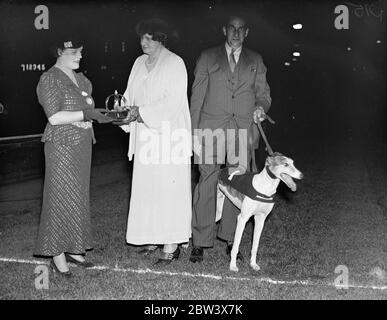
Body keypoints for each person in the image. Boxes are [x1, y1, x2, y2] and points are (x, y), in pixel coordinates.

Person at [189, 14, 272, 262]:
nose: (236, 33)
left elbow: (263, 94)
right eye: (232, 28)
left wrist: (261, 107)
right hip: (209, 128)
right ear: (224, 30)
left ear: (246, 33)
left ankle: (228, 238)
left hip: (242, 130)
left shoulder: (255, 59)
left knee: (236, 184)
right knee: (207, 180)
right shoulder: (207, 56)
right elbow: (196, 96)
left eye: (241, 29)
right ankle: (200, 241)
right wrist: (193, 132)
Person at [34, 36, 113, 276]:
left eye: (81, 52)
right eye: (74, 53)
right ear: (59, 53)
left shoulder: (82, 80)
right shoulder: (49, 79)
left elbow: (87, 107)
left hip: (82, 146)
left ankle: (75, 248)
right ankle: (57, 254)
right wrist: (88, 115)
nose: (80, 56)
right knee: (59, 198)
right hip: (61, 146)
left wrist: (96, 114)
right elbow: (54, 117)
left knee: (78, 197)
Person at [117, 19, 192, 264]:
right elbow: (129, 95)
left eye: (149, 38)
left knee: (169, 191)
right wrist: (122, 110)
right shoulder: (138, 63)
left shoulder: (175, 62)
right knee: (148, 190)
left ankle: (172, 244)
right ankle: (151, 237)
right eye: (141, 38)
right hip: (145, 137)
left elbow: (172, 103)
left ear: (161, 38)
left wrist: (140, 112)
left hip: (169, 136)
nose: (143, 43)